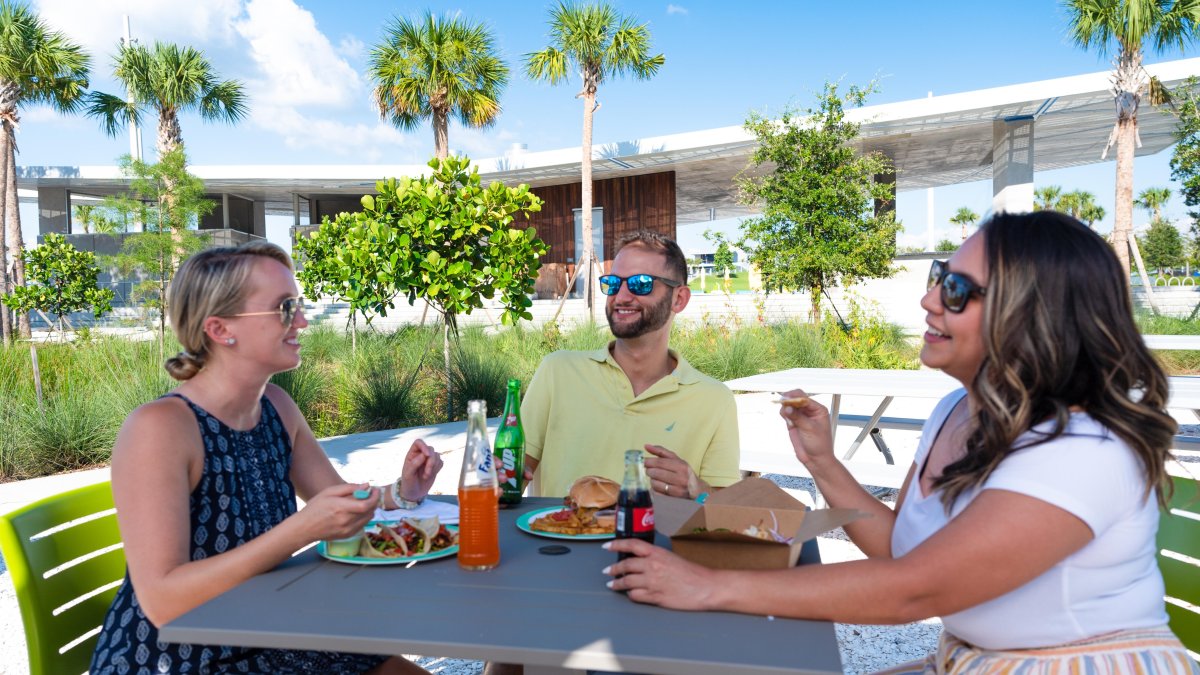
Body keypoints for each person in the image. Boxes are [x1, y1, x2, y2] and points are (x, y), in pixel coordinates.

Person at [607, 211, 1198, 673]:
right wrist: (821, 461)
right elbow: (901, 550)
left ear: (1032, 314)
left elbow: (916, 589)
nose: (928, 299)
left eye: (958, 291)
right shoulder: (956, 411)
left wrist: (709, 586)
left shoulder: (1081, 450)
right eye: (940, 277)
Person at [90, 242, 442, 675]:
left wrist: (402, 492)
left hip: (272, 631)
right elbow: (163, 602)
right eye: (284, 308)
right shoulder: (159, 429)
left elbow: (334, 501)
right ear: (220, 329)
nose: (302, 321)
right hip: (180, 657)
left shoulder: (276, 406)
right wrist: (299, 531)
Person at [520, 230, 742, 499]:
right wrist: (495, 478)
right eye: (613, 283)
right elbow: (512, 476)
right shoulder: (558, 371)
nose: (621, 297)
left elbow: (726, 511)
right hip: (558, 537)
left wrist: (698, 490)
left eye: (640, 283)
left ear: (679, 299)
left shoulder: (713, 400)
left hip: (654, 542)